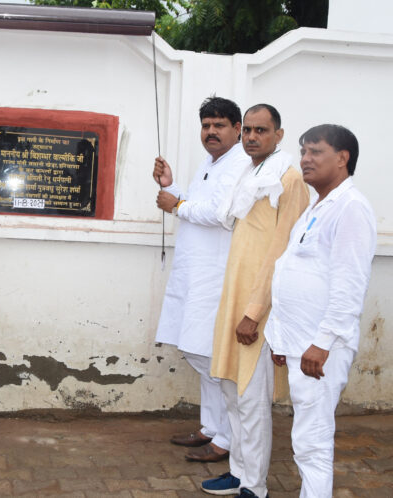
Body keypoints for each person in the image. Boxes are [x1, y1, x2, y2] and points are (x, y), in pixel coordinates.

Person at [202, 104, 310, 498]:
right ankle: (237, 472)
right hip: (235, 296)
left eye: (260, 131)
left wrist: (254, 312)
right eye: (246, 130)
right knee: (231, 390)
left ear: (278, 135)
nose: (251, 137)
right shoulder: (250, 173)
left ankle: (255, 486)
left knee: (250, 398)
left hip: (257, 307)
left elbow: (282, 251)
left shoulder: (289, 178)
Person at [265, 125, 376, 498]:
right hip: (301, 344)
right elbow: (297, 272)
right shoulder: (317, 206)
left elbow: (349, 287)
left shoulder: (351, 208)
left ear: (342, 159)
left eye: (315, 152)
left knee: (312, 444)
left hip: (320, 348)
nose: (305, 159)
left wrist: (323, 343)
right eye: (303, 151)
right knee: (305, 440)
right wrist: (281, 338)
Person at [154, 97, 250, 462]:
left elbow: (221, 214)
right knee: (203, 355)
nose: (211, 132)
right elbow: (196, 204)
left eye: (220, 125)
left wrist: (177, 205)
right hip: (195, 272)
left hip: (216, 275)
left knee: (214, 358)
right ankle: (211, 428)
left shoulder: (239, 164)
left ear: (237, 129)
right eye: (206, 125)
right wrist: (173, 186)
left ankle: (226, 439)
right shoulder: (210, 162)